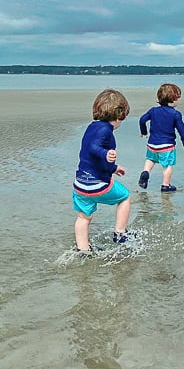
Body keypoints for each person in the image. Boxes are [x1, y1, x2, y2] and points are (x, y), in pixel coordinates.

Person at [72, 89, 132, 254]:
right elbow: (94, 148)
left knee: (84, 217)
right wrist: (105, 153)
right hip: (97, 185)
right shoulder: (106, 130)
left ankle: (83, 250)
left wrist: (114, 168)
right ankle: (120, 233)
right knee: (125, 196)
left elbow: (92, 157)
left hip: (80, 184)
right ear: (119, 115)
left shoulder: (91, 127)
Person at [138, 83, 184, 192]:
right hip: (167, 146)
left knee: (150, 160)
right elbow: (182, 130)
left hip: (152, 144)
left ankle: (146, 172)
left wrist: (144, 132)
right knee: (168, 165)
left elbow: (142, 120)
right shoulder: (176, 114)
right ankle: (165, 185)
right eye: (178, 97)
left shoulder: (153, 111)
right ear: (173, 99)